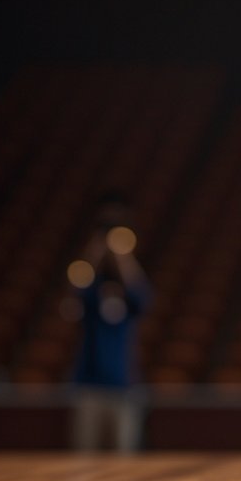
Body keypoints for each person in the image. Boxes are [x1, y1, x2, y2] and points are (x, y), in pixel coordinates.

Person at [68, 193, 151, 452]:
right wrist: (95, 251)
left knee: (124, 457)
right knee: (82, 458)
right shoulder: (92, 290)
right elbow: (72, 292)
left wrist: (123, 254)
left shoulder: (129, 292)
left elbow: (143, 297)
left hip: (123, 385)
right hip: (89, 386)